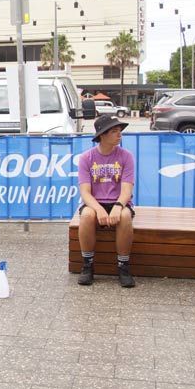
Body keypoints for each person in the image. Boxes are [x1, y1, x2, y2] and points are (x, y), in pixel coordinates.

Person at [77, 114, 136, 288]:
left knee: (125, 216)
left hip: (119, 202)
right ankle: (87, 265)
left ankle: (123, 265)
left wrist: (118, 206)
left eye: (120, 131)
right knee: (87, 215)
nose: (120, 135)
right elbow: (85, 193)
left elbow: (127, 190)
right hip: (95, 203)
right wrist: (100, 210)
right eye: (114, 131)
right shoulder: (86, 158)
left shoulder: (126, 156)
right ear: (102, 135)